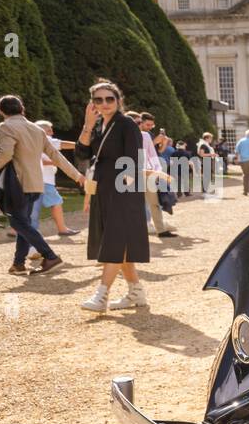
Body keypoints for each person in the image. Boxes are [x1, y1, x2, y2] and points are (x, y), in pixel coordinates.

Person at [0, 94, 84, 274]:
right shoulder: (36, 129)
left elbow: (4, 155)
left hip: (17, 184)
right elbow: (57, 156)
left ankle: (50, 256)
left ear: (1, 111)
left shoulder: (5, 126)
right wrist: (76, 175)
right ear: (22, 108)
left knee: (19, 224)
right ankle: (18, 264)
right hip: (37, 184)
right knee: (24, 223)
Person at [77, 80, 150, 312]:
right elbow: (82, 153)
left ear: (118, 101)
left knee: (116, 241)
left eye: (109, 99)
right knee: (121, 243)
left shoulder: (126, 124)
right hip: (103, 188)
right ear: (92, 103)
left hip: (123, 189)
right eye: (98, 99)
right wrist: (88, 125)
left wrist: (125, 192)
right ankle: (136, 292)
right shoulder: (97, 126)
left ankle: (101, 295)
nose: (105, 103)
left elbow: (135, 158)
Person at [31, 120, 80, 240]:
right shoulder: (44, 139)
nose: (52, 132)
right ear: (42, 131)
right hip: (44, 180)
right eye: (49, 130)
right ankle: (62, 229)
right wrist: (82, 145)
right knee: (56, 202)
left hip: (36, 179)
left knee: (30, 206)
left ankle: (15, 229)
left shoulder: (32, 141)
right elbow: (62, 144)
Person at [135, 111, 176, 237]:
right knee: (133, 203)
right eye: (145, 124)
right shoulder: (124, 135)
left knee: (154, 202)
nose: (149, 127)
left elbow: (154, 153)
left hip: (147, 171)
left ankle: (161, 230)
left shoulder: (146, 135)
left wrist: (158, 171)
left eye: (151, 125)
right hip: (130, 171)